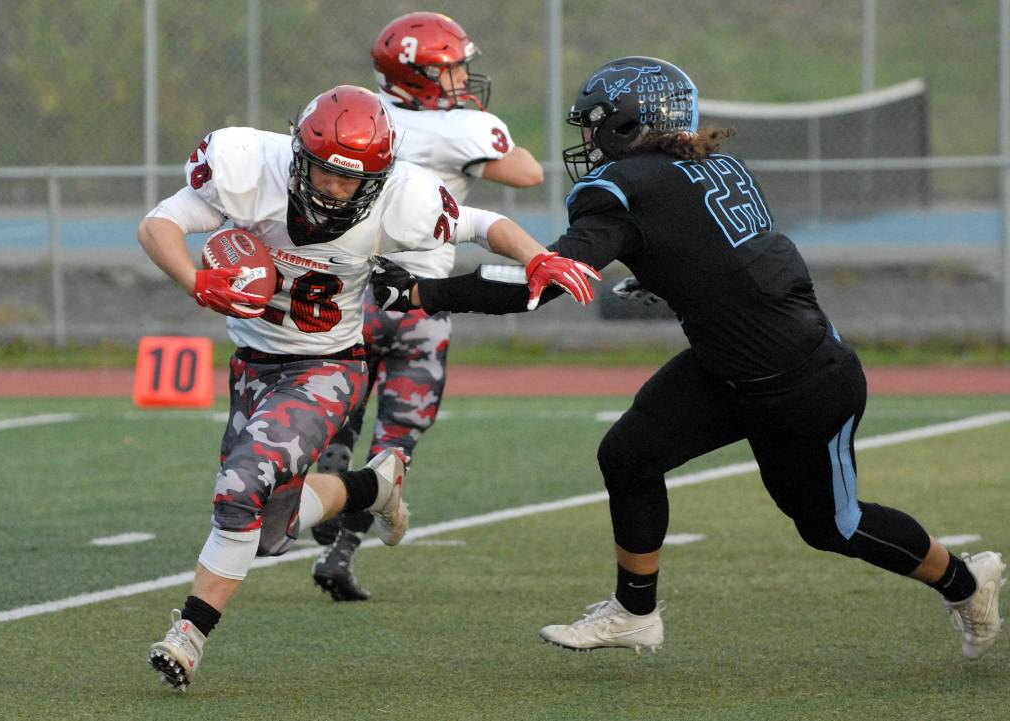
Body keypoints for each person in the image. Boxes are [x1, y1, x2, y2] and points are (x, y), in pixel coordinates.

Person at [369, 56, 1006, 659]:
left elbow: (545, 284)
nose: (589, 144)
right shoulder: (717, 164)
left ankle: (967, 584)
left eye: (594, 127)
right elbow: (745, 254)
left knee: (831, 526)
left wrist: (422, 290)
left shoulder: (621, 185)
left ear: (626, 124)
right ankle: (635, 614)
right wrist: (668, 276)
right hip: (733, 364)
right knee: (628, 454)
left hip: (803, 382)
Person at [136, 84, 598, 691]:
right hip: (252, 361)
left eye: (350, 181)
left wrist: (538, 256)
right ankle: (373, 485)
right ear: (300, 156)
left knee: (239, 486)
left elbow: (487, 224)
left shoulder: (402, 197)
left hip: (328, 366)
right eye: (325, 173)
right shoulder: (250, 165)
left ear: (377, 179)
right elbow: (160, 223)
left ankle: (188, 636)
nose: (334, 189)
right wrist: (196, 281)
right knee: (267, 533)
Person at [308, 11, 545, 602]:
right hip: (419, 302)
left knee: (342, 410)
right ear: (418, 75)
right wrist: (468, 132)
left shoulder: (359, 111)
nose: (463, 76)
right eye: (453, 67)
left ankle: (327, 498)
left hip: (354, 294)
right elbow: (527, 172)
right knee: (399, 435)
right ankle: (342, 550)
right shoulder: (461, 128)